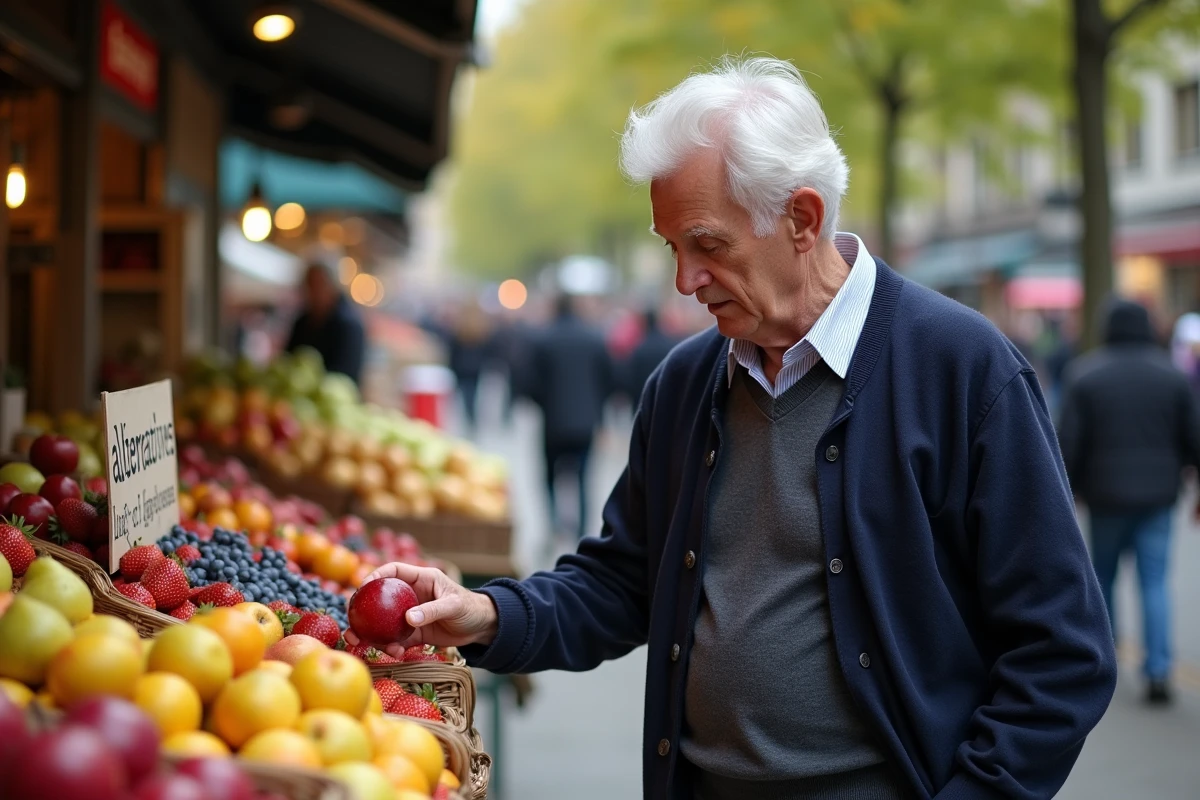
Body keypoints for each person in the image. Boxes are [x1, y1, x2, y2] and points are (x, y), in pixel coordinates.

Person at [347, 56, 1116, 799]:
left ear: (802, 218)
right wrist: (489, 613)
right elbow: (624, 580)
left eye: (707, 244)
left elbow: (1062, 654)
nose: (685, 280)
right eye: (673, 248)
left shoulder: (964, 369)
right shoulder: (685, 382)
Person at [1057, 299, 1200, 705]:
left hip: (1105, 497)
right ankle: (1158, 669)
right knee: (1154, 582)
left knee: (1102, 579)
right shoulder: (1172, 376)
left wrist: (1069, 491)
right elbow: (1194, 436)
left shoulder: (1085, 374)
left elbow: (1067, 442)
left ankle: (1106, 661)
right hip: (1158, 497)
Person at [529, 293, 615, 541]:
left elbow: (531, 383)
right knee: (584, 476)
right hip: (585, 423)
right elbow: (609, 380)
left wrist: (545, 405)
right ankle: (581, 529)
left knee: (549, 476)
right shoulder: (594, 338)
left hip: (553, 423)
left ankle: (554, 523)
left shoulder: (543, 339)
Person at [285, 262, 366, 385]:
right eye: (309, 284)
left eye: (318, 284)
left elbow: (346, 375)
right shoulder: (303, 320)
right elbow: (287, 357)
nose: (312, 291)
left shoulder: (349, 326)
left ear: (332, 286)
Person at [623, 308, 681, 403]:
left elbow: (630, 379)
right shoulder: (669, 345)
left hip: (642, 397)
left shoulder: (639, 348)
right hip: (665, 396)